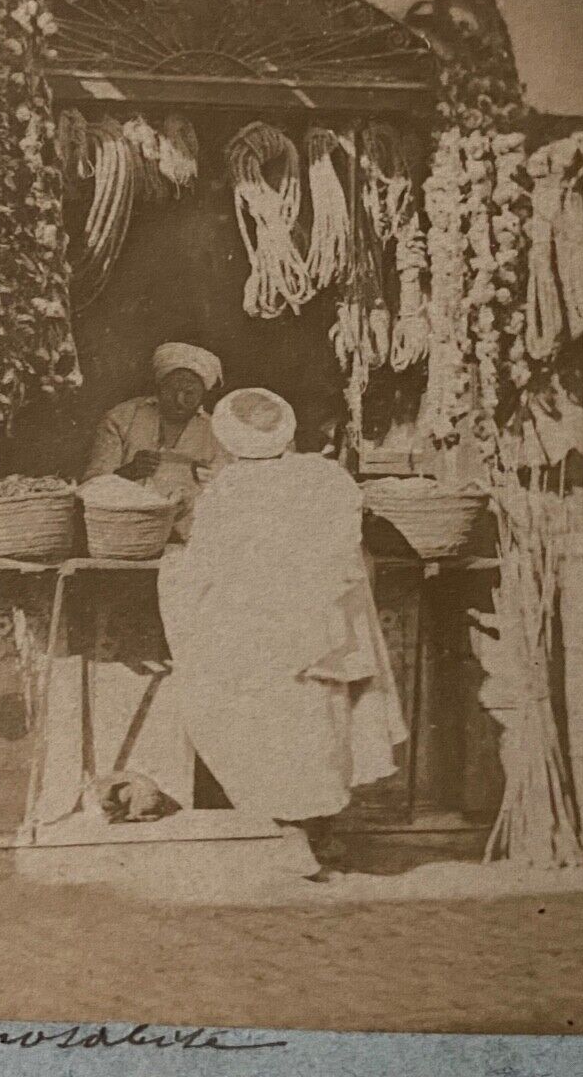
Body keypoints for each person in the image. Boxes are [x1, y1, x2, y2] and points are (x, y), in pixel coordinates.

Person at [156, 387, 408, 879]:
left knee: (275, 731)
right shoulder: (326, 477)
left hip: (264, 635)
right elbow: (348, 548)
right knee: (325, 725)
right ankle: (324, 833)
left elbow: (206, 567)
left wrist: (173, 569)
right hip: (324, 633)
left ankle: (297, 839)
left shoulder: (228, 492)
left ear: (229, 439)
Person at [83, 342, 229, 537]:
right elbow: (91, 487)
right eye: (172, 390)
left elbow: (226, 496)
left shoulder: (216, 433)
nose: (179, 400)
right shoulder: (122, 418)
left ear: (203, 394)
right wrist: (128, 472)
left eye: (190, 393)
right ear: (159, 388)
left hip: (189, 537)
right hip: (121, 532)